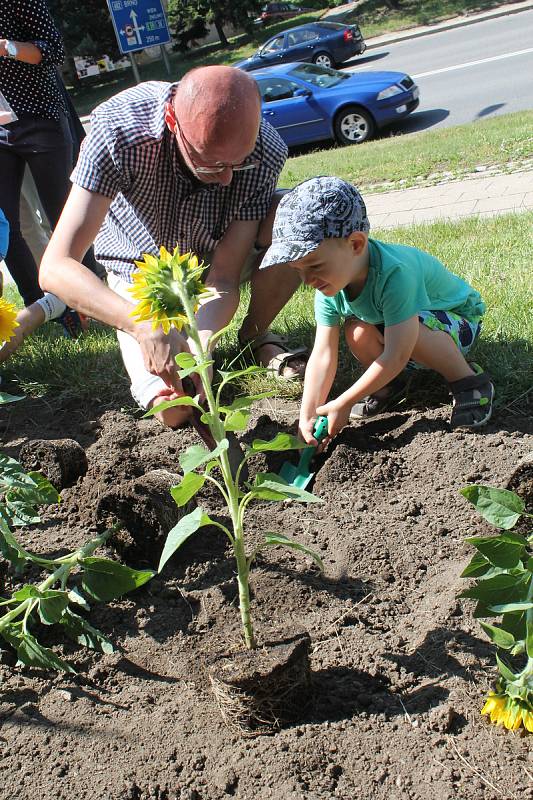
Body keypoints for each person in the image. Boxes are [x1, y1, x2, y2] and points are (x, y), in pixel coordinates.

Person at [40, 66, 308, 429]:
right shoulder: (118, 130)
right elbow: (55, 266)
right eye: (211, 163)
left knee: (297, 215)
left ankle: (256, 334)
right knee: (175, 409)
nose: (228, 178)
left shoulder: (265, 150)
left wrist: (202, 345)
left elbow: (225, 277)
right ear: (172, 120)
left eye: (238, 163)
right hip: (141, 272)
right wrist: (144, 326)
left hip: (212, 259)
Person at [258, 176, 495, 446]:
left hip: (457, 324)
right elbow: (323, 354)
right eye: (298, 270)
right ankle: (388, 386)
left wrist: (344, 401)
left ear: (356, 244)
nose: (308, 280)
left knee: (412, 329)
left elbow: (397, 353)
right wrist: (308, 413)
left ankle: (468, 382)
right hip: (404, 328)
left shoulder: (395, 274)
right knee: (356, 331)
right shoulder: (327, 285)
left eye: (314, 265)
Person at [0, 0, 102, 314]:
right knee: (5, 222)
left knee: (64, 213)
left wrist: (6, 48)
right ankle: (37, 307)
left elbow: (53, 49)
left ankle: (91, 299)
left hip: (39, 118)